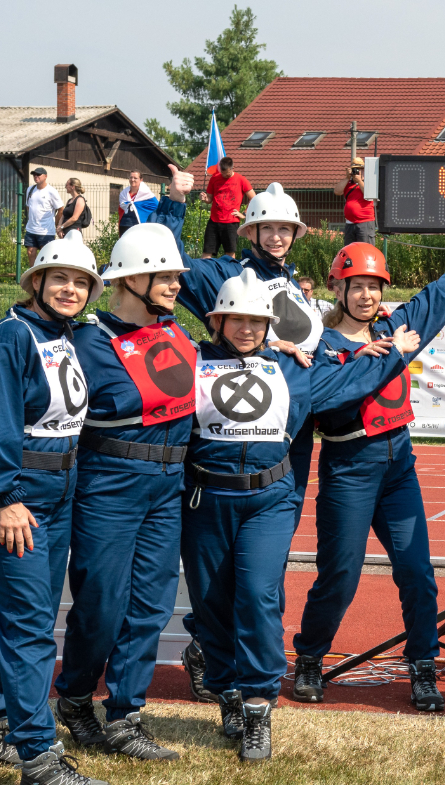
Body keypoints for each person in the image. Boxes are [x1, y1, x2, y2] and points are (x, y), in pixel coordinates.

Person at [181, 270, 418, 761]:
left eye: (256, 320)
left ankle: (258, 707)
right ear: (217, 320)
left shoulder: (291, 367)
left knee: (258, 596)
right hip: (207, 500)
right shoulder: (192, 363)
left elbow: (345, 381)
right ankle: (226, 691)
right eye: (236, 319)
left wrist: (392, 353)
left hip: (268, 501)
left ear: (269, 326)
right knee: (211, 604)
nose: (246, 328)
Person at [290, 235, 445, 712]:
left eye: (374, 285)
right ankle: (309, 656)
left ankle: (423, 666)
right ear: (338, 289)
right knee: (340, 576)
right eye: (356, 286)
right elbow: (326, 398)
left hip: (398, 470)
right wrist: (393, 355)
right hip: (349, 471)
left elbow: (433, 301)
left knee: (417, 574)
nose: (366, 295)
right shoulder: (325, 347)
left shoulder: (394, 326)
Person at [151, 164, 328, 697]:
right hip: (231, 434)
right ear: (249, 231)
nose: (275, 236)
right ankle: (210, 649)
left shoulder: (295, 286)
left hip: (289, 438)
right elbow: (163, 263)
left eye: (284, 229)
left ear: (295, 234)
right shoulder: (223, 275)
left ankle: (240, 662)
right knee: (227, 567)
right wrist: (174, 205)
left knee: (261, 563)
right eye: (265, 228)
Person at [0, 230, 112, 785]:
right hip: (20, 495)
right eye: (61, 278)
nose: (71, 289)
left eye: (81, 282)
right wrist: (5, 497)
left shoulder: (66, 334)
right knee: (29, 628)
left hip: (60, 488)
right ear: (37, 282)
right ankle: (39, 758)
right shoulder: (11, 338)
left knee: (25, 618)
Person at [50, 223, 197, 762]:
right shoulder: (85, 343)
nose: (177, 283)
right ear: (132, 278)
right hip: (109, 485)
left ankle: (126, 715)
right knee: (102, 604)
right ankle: (74, 697)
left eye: (177, 274)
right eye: (165, 274)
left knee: (151, 605)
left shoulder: (177, 332)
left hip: (168, 485)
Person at [200, 156, 253, 259]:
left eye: (227, 173)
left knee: (230, 253)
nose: (224, 175)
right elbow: (209, 199)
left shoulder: (241, 180)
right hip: (214, 221)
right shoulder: (214, 179)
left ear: (232, 168)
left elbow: (253, 198)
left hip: (231, 223)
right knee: (207, 252)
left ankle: (229, 274)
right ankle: (205, 273)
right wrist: (204, 198)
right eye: (223, 173)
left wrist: (244, 214)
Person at [334, 159, 376, 246]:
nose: (356, 171)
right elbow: (337, 191)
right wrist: (347, 178)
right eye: (354, 169)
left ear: (363, 170)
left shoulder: (368, 182)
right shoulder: (348, 183)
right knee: (350, 250)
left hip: (365, 222)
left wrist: (359, 181)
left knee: (365, 249)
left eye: (358, 169)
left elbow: (369, 195)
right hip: (350, 223)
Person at [24, 168, 64, 255]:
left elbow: (61, 208)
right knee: (30, 253)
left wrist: (56, 223)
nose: (36, 176)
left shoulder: (51, 191)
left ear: (45, 176)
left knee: (45, 255)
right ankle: (34, 269)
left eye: (38, 174)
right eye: (34, 174)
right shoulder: (30, 189)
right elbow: (28, 207)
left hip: (46, 232)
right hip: (31, 230)